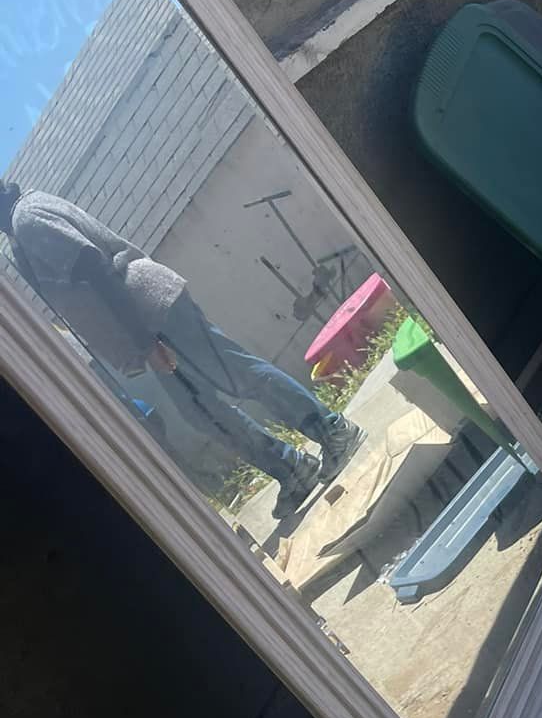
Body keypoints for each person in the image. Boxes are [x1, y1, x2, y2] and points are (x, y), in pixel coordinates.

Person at [0, 181, 361, 510]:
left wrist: (147, 341)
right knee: (201, 411)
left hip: (152, 315)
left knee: (237, 374)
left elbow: (96, 269)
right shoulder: (23, 225)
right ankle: (292, 468)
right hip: (148, 323)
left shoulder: (29, 220)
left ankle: (332, 431)